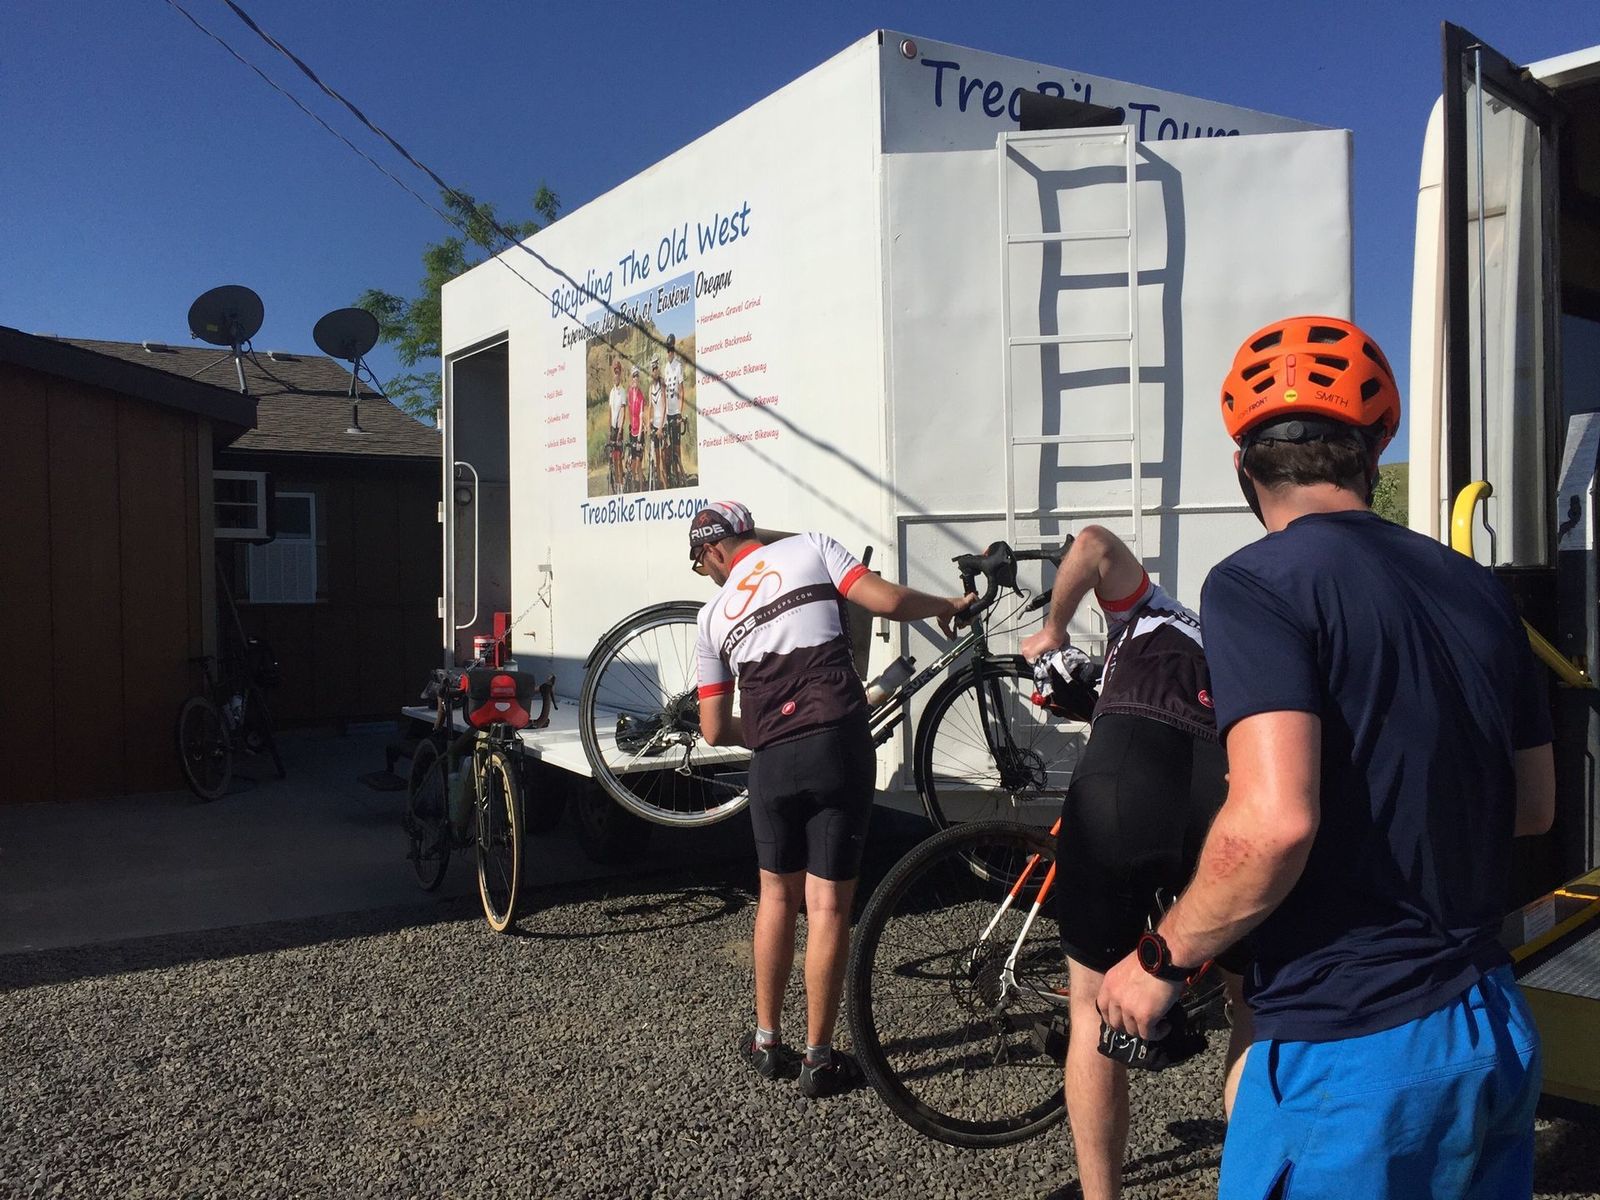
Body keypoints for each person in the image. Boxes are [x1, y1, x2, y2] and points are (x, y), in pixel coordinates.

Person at [1096, 316, 1555, 1199]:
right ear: (1373, 454)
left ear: (1246, 469)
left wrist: (1159, 960)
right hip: (1490, 1024)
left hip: (1352, 1053)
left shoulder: (1257, 583)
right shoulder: (1479, 589)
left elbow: (1273, 823)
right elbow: (1532, 806)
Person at [689, 501, 975, 1097]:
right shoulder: (812, 547)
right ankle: (818, 1060)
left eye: (701, 562)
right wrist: (948, 605)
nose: (706, 573)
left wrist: (769, 727)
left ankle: (767, 1042)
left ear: (715, 550)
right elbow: (887, 601)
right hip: (836, 744)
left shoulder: (711, 615)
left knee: (775, 896)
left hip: (771, 761)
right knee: (827, 908)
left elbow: (713, 729)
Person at [1019, 527, 1251, 1200]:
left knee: (1091, 1007)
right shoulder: (1241, 650)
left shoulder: (1149, 607)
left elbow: (1092, 544)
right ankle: (1252, 1183)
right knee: (1250, 1006)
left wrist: (1053, 630)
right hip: (1221, 783)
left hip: (1129, 770)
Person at [663, 333, 687, 483]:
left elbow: (682, 391)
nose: (669, 352)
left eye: (671, 349)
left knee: (677, 448)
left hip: (676, 413)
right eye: (667, 350)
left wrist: (680, 413)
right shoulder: (665, 367)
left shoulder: (678, 366)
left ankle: (681, 476)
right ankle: (672, 477)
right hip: (668, 413)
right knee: (669, 447)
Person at [606, 358, 627, 489]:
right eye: (614, 372)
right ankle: (617, 480)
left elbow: (623, 412)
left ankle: (621, 484)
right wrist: (609, 430)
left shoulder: (622, 391)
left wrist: (620, 430)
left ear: (620, 374)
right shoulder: (612, 392)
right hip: (612, 429)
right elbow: (610, 412)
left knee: (619, 458)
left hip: (619, 429)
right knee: (613, 457)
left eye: (618, 372)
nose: (616, 375)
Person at [625, 364, 646, 491]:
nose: (635, 378)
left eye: (637, 376)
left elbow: (641, 416)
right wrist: (630, 427)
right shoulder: (629, 393)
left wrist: (639, 436)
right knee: (633, 463)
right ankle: (634, 486)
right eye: (634, 376)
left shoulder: (641, 396)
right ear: (631, 378)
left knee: (638, 463)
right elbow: (629, 411)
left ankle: (642, 488)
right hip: (632, 431)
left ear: (639, 379)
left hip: (639, 433)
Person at [648, 356, 667, 488]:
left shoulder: (662, 384)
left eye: (656, 368)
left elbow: (665, 406)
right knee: (657, 460)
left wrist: (660, 427)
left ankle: (666, 486)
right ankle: (660, 486)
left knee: (664, 461)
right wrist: (649, 423)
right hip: (655, 425)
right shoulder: (650, 387)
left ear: (658, 369)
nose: (654, 371)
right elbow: (650, 407)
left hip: (662, 425)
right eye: (652, 369)